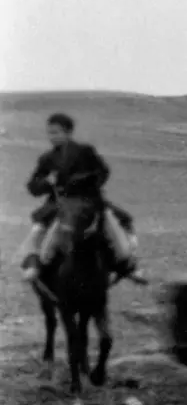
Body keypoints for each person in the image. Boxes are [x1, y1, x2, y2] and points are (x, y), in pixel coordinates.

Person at [20, 113, 138, 282]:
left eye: (56, 132)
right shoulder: (47, 158)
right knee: (37, 231)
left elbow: (103, 171)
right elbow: (33, 186)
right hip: (58, 205)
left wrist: (86, 183)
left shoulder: (85, 151)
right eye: (50, 133)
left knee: (112, 225)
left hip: (89, 202)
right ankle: (34, 265)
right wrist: (46, 182)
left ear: (68, 132)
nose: (52, 137)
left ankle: (125, 265)